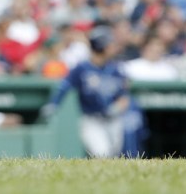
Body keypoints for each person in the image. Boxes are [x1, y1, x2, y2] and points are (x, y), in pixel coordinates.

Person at [42, 26, 132, 158]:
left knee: (114, 156)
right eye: (110, 44)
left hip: (113, 119)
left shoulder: (116, 69)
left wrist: (116, 108)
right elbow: (64, 87)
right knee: (102, 154)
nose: (113, 48)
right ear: (102, 46)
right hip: (91, 119)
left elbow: (124, 97)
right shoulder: (82, 68)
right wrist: (54, 104)